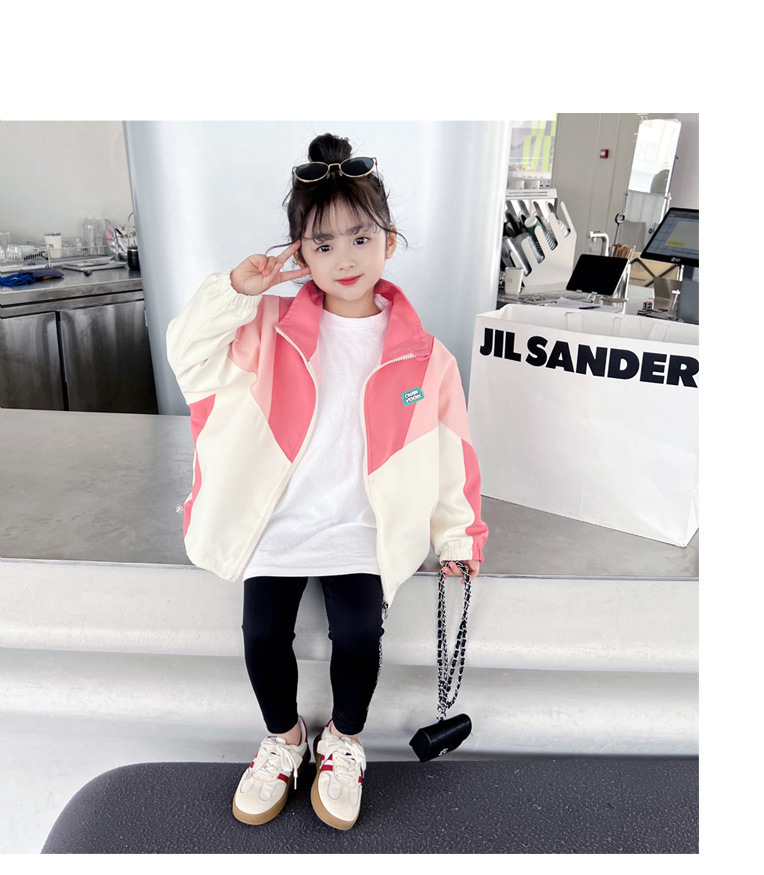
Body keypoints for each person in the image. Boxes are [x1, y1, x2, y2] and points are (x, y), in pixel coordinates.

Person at [166, 133, 488, 831]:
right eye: (323, 243)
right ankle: (285, 741)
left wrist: (459, 537)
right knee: (261, 634)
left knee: (360, 636)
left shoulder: (426, 356)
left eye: (361, 238)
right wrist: (236, 290)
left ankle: (343, 740)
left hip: (360, 528)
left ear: (389, 242)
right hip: (278, 523)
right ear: (300, 255)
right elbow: (187, 355)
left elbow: (450, 453)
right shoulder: (268, 326)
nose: (344, 258)